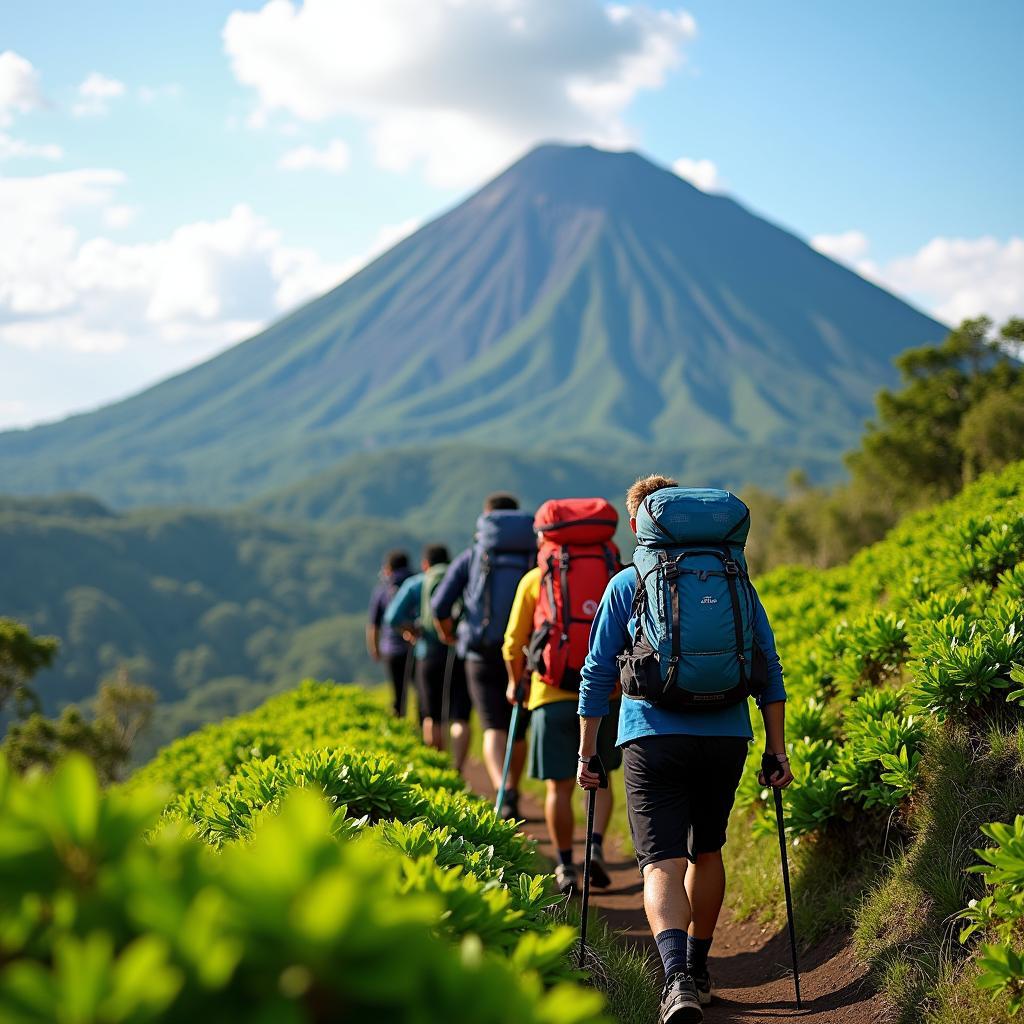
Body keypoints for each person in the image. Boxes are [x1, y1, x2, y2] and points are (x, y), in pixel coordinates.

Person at [577, 475, 792, 1024]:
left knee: (662, 863)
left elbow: (597, 671)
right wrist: (777, 749)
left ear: (641, 526)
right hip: (726, 737)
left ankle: (675, 980)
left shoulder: (629, 582)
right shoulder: (737, 580)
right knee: (708, 850)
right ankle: (700, 967)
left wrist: (587, 752)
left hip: (651, 736)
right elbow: (768, 667)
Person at [503, 497, 622, 895]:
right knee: (601, 779)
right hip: (604, 695)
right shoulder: (613, 573)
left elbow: (511, 644)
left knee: (559, 787)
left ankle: (566, 866)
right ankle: (596, 847)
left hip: (549, 696)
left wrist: (514, 681)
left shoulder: (536, 579)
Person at [433, 492, 534, 819]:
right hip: (525, 651)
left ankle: (503, 791)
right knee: (517, 727)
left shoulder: (473, 555)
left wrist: (448, 634)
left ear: (486, 519)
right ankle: (514, 787)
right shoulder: (535, 553)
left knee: (493, 726)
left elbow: (439, 605)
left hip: (480, 651)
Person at [383, 543, 472, 770]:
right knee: (460, 715)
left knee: (431, 714)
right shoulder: (459, 579)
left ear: (425, 564)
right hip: (459, 653)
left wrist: (412, 629)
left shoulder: (417, 583)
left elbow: (392, 616)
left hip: (428, 655)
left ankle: (437, 766)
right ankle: (458, 769)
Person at [367, 549, 414, 717]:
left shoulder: (382, 591)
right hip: (415, 648)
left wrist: (375, 649)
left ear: (389, 568)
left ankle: (400, 728)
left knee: (398, 695)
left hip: (391, 650)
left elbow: (374, 624)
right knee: (423, 694)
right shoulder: (415, 585)